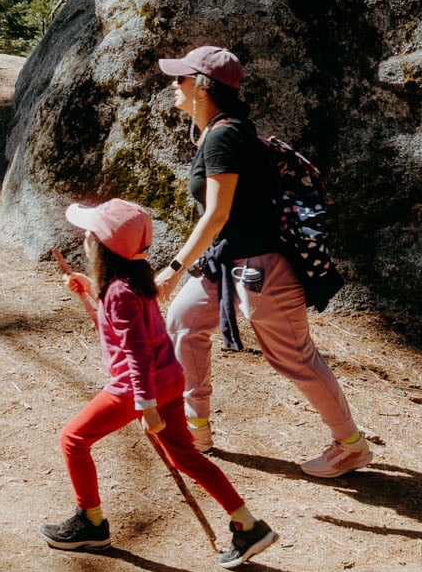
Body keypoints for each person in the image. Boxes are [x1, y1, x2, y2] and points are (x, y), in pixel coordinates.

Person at [151, 45, 371, 478]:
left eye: (181, 78)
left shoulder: (224, 136)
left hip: (262, 271)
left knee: (294, 357)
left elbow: (216, 215)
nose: (173, 85)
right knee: (183, 321)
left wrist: (172, 270)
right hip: (229, 264)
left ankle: (350, 444)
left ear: (203, 87)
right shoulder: (217, 131)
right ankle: (195, 429)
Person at [44, 197, 278, 568]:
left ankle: (90, 522)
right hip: (170, 378)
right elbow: (130, 324)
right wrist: (91, 287)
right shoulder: (132, 279)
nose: (85, 236)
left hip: (139, 388)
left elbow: (136, 352)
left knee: (73, 440)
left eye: (90, 232)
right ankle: (248, 525)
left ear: (102, 245)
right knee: (185, 456)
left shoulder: (119, 292)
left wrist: (145, 406)